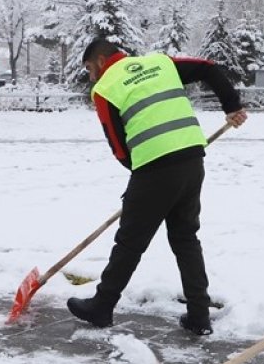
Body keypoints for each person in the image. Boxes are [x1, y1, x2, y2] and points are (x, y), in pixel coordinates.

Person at [67, 38, 248, 336]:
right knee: (185, 237)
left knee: (130, 242)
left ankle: (101, 306)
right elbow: (209, 68)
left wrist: (141, 181)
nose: (90, 76)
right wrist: (232, 105)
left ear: (100, 62)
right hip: (192, 158)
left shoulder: (105, 87)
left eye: (89, 68)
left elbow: (118, 146)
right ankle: (198, 315)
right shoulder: (160, 63)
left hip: (154, 167)